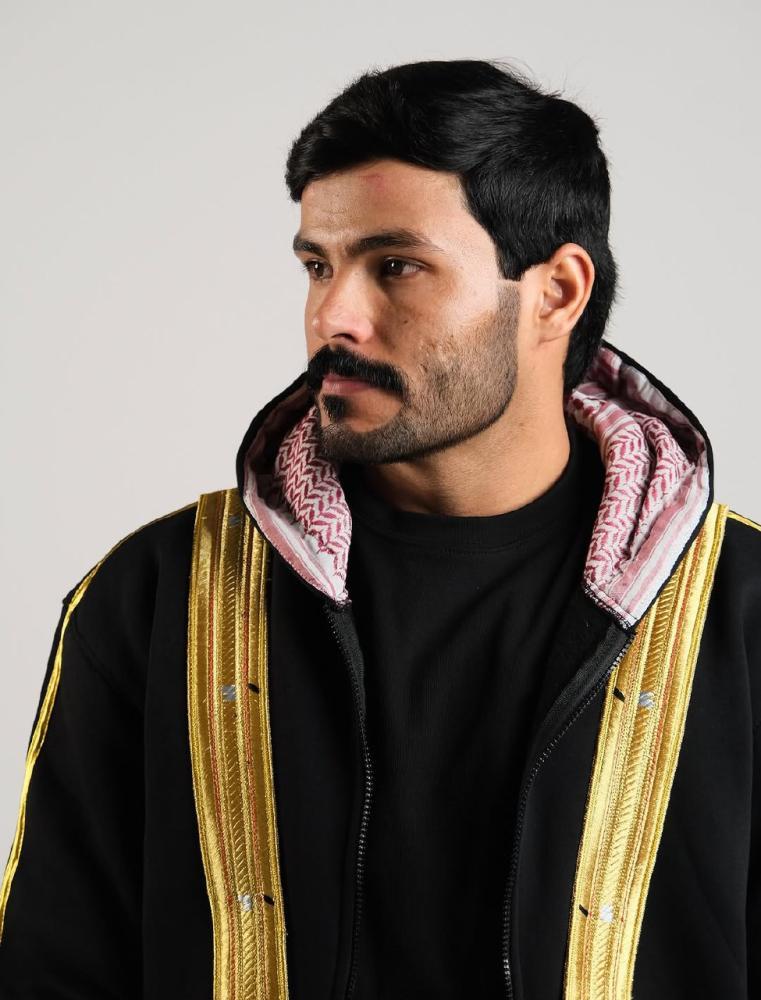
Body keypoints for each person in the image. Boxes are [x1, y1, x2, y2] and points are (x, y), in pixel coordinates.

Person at [0, 57, 758, 1000]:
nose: (333, 316)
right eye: (318, 266)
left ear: (556, 293)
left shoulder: (738, 608)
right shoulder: (158, 597)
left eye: (396, 266)